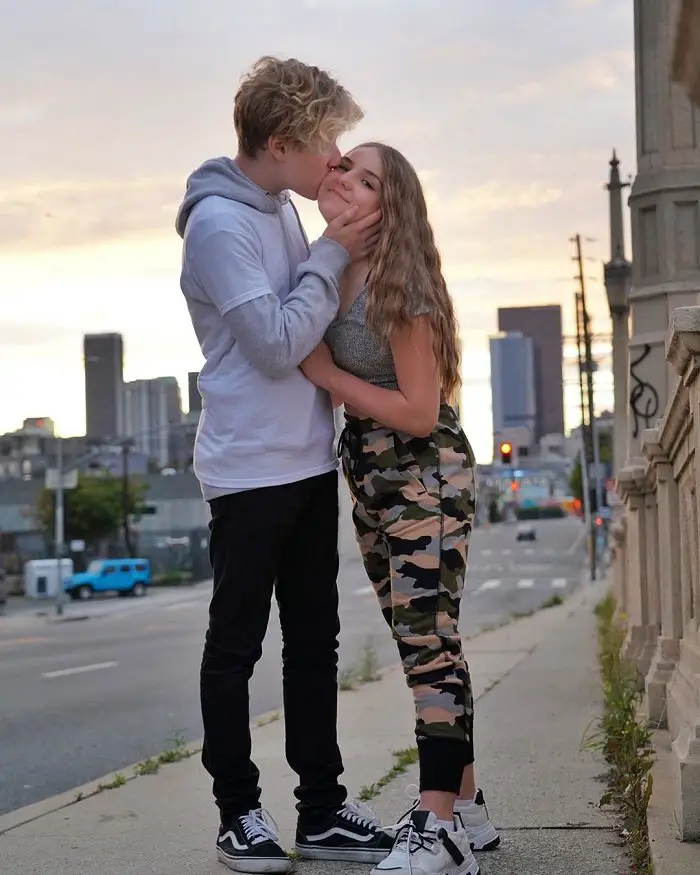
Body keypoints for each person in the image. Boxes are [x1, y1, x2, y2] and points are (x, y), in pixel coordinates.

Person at [175, 58, 392, 874]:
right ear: (279, 141)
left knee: (314, 643)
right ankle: (238, 814)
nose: (335, 159)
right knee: (237, 646)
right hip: (248, 469)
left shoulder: (276, 208)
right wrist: (333, 253)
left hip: (305, 458)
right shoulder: (220, 226)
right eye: (326, 143)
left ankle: (324, 810)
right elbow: (272, 345)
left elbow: (304, 320)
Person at [300, 143, 501, 875]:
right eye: (344, 165)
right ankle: (468, 808)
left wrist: (324, 371)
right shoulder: (328, 266)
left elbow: (420, 409)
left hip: (425, 477)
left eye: (366, 178)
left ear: (391, 206)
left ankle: (438, 824)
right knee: (427, 642)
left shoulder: (399, 282)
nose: (346, 179)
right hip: (373, 483)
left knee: (427, 644)